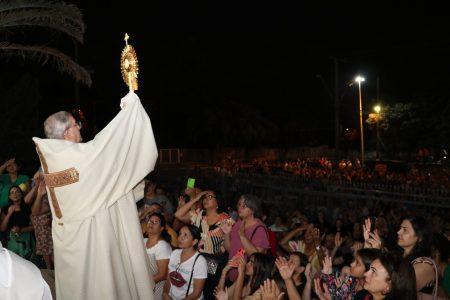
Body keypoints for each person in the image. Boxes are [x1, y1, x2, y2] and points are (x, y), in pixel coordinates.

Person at [32, 92, 158, 299]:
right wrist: (129, 111)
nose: (79, 127)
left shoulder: (53, 161)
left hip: (70, 240)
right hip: (93, 237)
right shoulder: (78, 158)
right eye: (75, 124)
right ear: (65, 133)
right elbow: (108, 147)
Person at [175, 190, 231, 299]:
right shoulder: (199, 214)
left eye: (210, 197)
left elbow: (229, 248)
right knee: (193, 289)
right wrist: (195, 199)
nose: (205, 199)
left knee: (208, 292)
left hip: (215, 261)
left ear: (217, 202)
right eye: (204, 197)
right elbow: (178, 215)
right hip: (197, 258)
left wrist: (227, 234)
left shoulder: (226, 218)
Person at [221, 194, 270, 282]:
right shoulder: (237, 223)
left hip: (246, 278)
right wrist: (227, 233)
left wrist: (242, 235)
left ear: (253, 209)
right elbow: (230, 249)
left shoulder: (259, 228)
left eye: (244, 206)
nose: (240, 207)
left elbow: (257, 258)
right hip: (231, 273)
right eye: (239, 204)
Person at [163, 225, 207, 300]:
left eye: (185, 235)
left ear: (194, 241)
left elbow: (196, 293)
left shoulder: (200, 262)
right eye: (180, 234)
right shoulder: (175, 253)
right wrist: (165, 294)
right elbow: (168, 279)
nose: (180, 238)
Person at [26, 175, 54, 270]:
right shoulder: (35, 184)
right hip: (39, 221)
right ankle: (49, 269)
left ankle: (57, 270)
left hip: (49, 218)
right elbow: (27, 200)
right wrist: (37, 186)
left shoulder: (52, 183)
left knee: (54, 247)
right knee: (44, 246)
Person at [0, 186, 34, 258]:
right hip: (11, 241)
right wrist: (9, 214)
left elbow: (34, 226)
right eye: (12, 193)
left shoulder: (27, 208)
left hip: (25, 239)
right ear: (9, 196)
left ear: (21, 194)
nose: (14, 194)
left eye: (17, 192)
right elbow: (2, 229)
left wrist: (21, 230)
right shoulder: (6, 208)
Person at [144, 213, 172, 300]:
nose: (151, 223)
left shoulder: (162, 246)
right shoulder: (142, 241)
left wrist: (143, 284)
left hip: (155, 288)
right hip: (142, 283)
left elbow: (162, 275)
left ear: (161, 228)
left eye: (156, 222)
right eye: (150, 221)